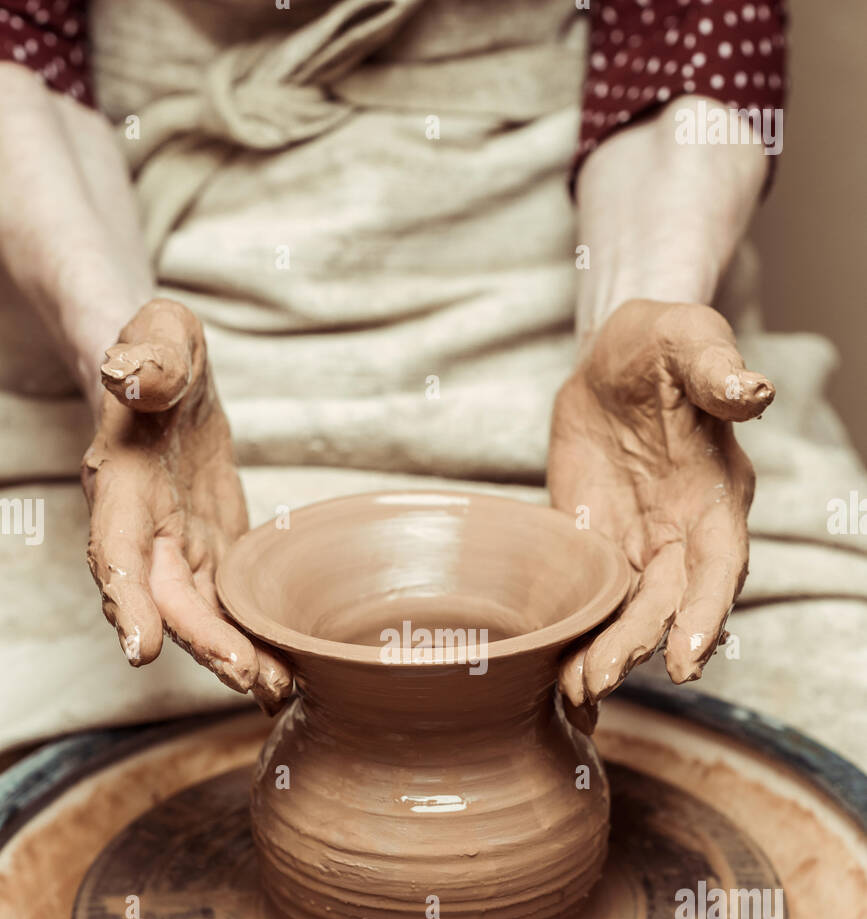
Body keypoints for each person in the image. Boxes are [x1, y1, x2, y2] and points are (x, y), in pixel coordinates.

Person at [1, 1, 863, 767]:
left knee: (835, 693)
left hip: (581, 289)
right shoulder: (128, 349)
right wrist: (117, 363)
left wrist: (636, 315)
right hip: (137, 282)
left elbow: (688, 30)